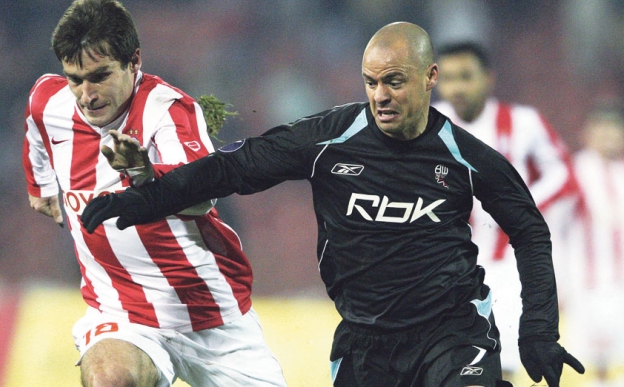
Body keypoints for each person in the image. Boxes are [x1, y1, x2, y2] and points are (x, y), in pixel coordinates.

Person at [81, 21, 584, 387]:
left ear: (430, 77)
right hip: (365, 342)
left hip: (452, 332)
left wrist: (538, 331)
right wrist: (148, 195)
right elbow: (232, 168)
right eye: (371, 82)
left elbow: (530, 230)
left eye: (394, 81)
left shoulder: (467, 156)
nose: (380, 95)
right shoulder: (328, 139)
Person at [22, 0, 286, 387]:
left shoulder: (169, 110)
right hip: (121, 312)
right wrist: (40, 186)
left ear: (134, 62)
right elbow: (35, 128)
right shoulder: (49, 101)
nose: (86, 94)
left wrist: (144, 172)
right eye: (75, 79)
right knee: (110, 378)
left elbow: (201, 199)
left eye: (100, 76)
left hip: (209, 315)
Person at [432, 41, 579, 381]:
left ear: (488, 78)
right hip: (448, 266)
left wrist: (519, 207)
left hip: (510, 265)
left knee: (504, 365)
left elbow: (563, 175)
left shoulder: (523, 122)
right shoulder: (428, 124)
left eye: (466, 76)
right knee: (450, 366)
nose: (457, 88)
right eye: (448, 78)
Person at [564, 104, 624, 386]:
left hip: (620, 284)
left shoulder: (622, 173)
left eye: (614, 129)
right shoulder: (573, 172)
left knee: (617, 364)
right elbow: (554, 227)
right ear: (587, 134)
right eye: (602, 129)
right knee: (588, 365)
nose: (608, 136)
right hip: (584, 284)